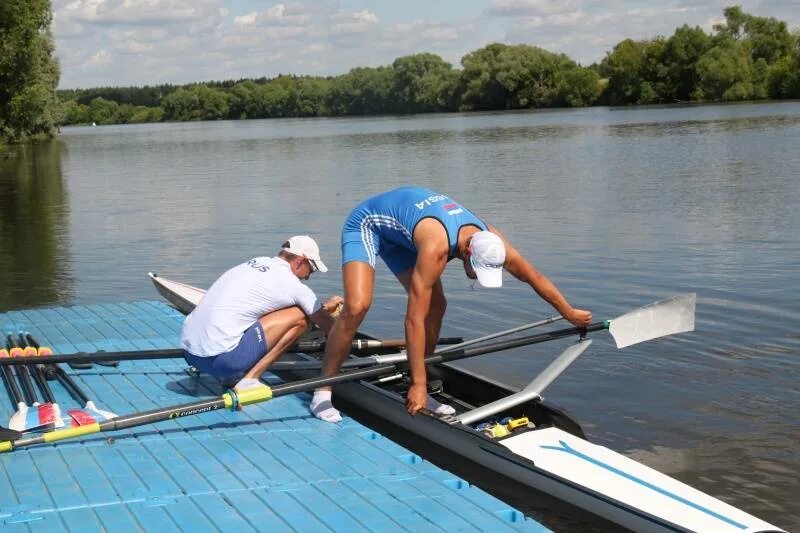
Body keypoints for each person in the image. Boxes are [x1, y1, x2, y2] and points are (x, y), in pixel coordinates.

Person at [309, 186, 592, 423]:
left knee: (437, 305)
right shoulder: (436, 249)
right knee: (358, 306)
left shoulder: (493, 240)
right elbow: (413, 320)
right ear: (467, 250)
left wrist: (568, 312)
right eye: (475, 268)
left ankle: (418, 379)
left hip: (408, 231)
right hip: (369, 224)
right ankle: (323, 390)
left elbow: (534, 277)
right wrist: (419, 384)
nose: (476, 276)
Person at [181, 236, 342, 391]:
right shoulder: (294, 286)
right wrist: (344, 339)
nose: (307, 278)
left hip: (189, 352)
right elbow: (329, 327)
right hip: (222, 363)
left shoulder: (257, 261)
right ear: (300, 261)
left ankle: (232, 374)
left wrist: (325, 307)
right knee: (301, 317)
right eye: (311, 270)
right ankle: (250, 380)